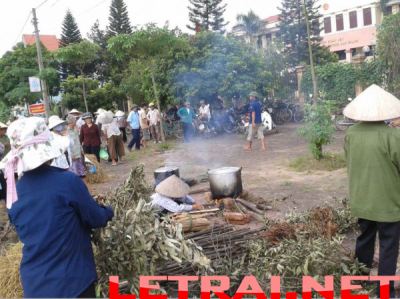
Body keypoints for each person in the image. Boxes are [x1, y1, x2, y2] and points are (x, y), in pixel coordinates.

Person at [0, 117, 114, 298]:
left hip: (35, 285)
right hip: (72, 282)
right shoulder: (66, 181)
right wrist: (108, 211)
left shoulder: (13, 193)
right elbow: (95, 218)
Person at [343, 84, 400, 298]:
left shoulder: (351, 133)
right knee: (388, 246)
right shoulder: (393, 136)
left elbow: (350, 160)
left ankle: (358, 283)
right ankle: (384, 292)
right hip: (388, 202)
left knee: (365, 239)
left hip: (362, 199)